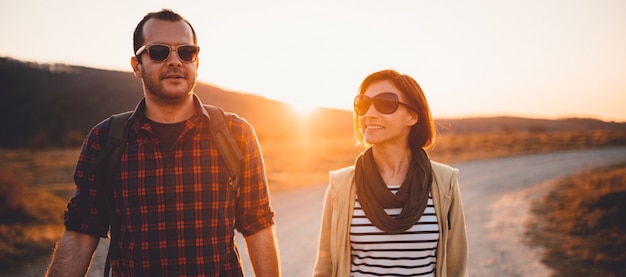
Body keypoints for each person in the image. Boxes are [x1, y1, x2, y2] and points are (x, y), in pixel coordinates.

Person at [45, 9, 280, 276]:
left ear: (197, 64)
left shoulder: (236, 135)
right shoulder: (105, 140)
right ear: (137, 66)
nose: (175, 61)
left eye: (186, 52)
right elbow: (80, 233)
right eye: (158, 51)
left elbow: (258, 225)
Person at [313, 69, 468, 277]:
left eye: (385, 103)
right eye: (363, 104)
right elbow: (325, 268)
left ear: (413, 116)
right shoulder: (340, 186)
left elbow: (456, 268)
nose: (369, 113)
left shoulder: (444, 182)